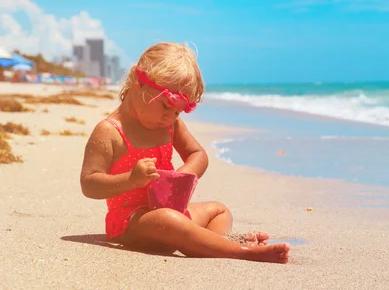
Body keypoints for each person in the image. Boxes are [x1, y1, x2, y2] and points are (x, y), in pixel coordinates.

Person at [79, 42, 290, 263]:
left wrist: (179, 178)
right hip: (131, 221)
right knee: (168, 220)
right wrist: (132, 179)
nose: (170, 117)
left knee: (219, 211)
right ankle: (240, 251)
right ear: (138, 83)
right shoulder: (110, 132)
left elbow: (198, 154)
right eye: (165, 106)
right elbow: (89, 183)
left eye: (179, 111)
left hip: (172, 211)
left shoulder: (170, 125)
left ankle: (211, 243)